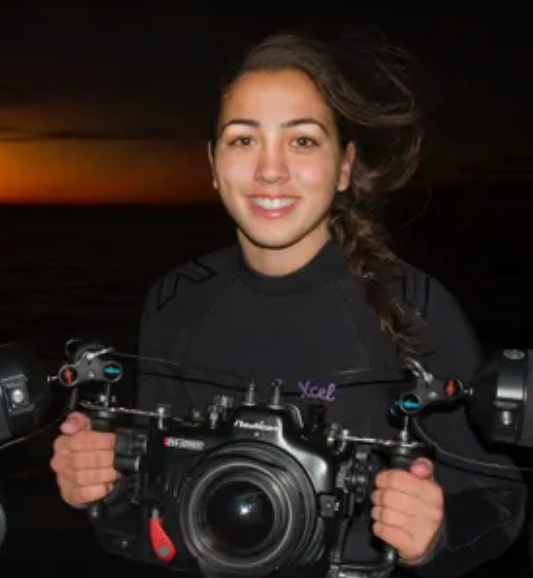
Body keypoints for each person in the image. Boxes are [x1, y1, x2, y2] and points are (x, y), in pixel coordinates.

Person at [50, 28, 526, 577]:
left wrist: (434, 538)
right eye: (243, 139)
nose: (270, 170)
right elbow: (155, 523)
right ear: (212, 163)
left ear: (345, 165)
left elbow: (501, 506)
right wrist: (98, 488)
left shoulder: (413, 303)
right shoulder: (176, 298)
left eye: (301, 140)